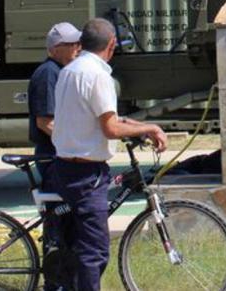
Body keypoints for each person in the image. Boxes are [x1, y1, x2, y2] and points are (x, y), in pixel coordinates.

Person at [51, 18, 168, 291]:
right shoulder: (98, 75)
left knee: (74, 250)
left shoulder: (69, 71)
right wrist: (150, 126)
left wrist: (141, 128)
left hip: (64, 168)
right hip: (86, 175)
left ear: (82, 42)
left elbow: (102, 118)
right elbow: (110, 127)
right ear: (112, 44)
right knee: (94, 252)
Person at [28, 21, 80, 291]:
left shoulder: (61, 71)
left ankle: (63, 279)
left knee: (65, 218)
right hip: (52, 158)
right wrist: (73, 145)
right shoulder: (48, 73)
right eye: (72, 44)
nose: (77, 48)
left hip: (60, 155)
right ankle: (55, 282)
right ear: (56, 48)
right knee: (58, 221)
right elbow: (45, 122)